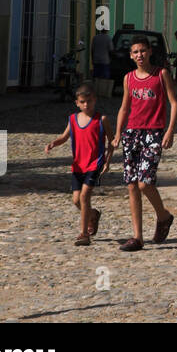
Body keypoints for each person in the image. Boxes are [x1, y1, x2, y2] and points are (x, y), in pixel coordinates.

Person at [112, 37, 177, 252]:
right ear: (131, 56)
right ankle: (137, 237)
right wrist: (117, 133)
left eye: (142, 51)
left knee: (145, 182)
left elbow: (174, 102)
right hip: (132, 133)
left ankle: (163, 216)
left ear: (149, 52)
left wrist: (170, 131)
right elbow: (124, 107)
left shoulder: (161, 75)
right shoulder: (129, 78)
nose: (139, 55)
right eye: (135, 52)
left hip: (154, 133)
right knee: (132, 184)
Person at [45, 83, 114, 246]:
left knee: (84, 196)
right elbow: (64, 136)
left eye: (89, 101)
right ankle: (93, 215)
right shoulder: (73, 119)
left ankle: (83, 234)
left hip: (94, 164)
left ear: (95, 100)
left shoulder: (101, 120)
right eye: (82, 102)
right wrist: (53, 143)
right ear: (77, 102)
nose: (86, 105)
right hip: (78, 166)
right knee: (76, 200)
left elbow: (112, 142)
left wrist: (107, 161)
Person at [91, 26, 113, 100]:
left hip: (96, 59)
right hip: (105, 60)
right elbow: (111, 50)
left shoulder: (95, 38)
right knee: (104, 77)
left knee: (96, 77)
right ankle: (103, 92)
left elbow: (92, 50)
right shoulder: (108, 38)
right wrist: (111, 59)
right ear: (106, 31)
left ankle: (95, 91)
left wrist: (92, 59)